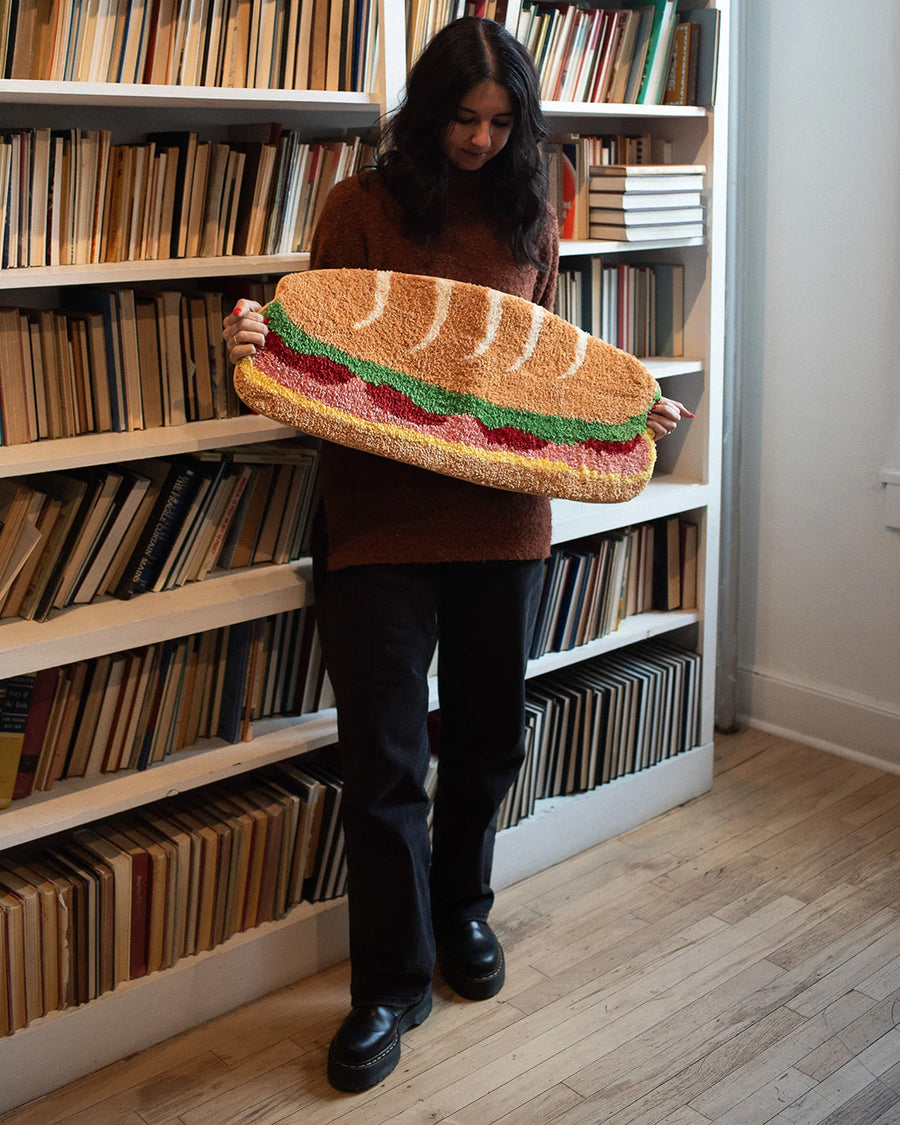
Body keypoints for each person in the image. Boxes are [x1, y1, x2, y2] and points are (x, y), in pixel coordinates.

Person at [223, 16, 688, 1093]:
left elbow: (544, 371)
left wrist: (621, 418)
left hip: (505, 521)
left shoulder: (533, 209)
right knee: (383, 760)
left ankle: (462, 911)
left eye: (501, 122)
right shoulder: (360, 207)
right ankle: (390, 979)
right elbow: (319, 364)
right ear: (426, 112)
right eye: (463, 119)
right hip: (377, 517)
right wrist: (254, 348)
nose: (480, 141)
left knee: (484, 739)